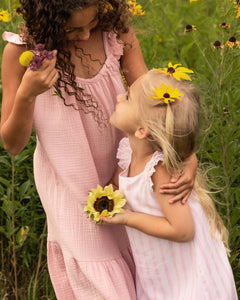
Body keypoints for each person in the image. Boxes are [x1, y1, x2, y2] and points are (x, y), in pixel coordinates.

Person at [1, 0, 196, 298]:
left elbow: (155, 106)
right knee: (102, 285)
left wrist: (186, 156)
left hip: (128, 178)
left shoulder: (114, 33)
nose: (83, 35)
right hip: (72, 192)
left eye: (90, 24)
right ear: (47, 19)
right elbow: (13, 145)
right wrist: (28, 93)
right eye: (71, 29)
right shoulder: (21, 54)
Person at [101, 69, 238, 299]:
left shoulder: (159, 171)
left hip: (185, 266)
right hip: (161, 263)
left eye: (127, 98)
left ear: (142, 130)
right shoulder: (128, 153)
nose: (118, 98)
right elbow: (116, 185)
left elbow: (182, 230)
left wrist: (126, 217)